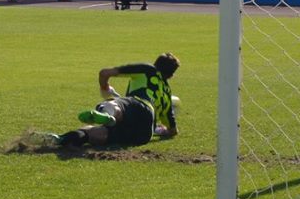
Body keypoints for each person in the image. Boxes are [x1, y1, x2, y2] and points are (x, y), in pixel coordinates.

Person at [18, 54, 181, 155]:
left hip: (138, 103)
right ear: (170, 75)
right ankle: (62, 139)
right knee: (100, 134)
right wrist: (161, 130)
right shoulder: (167, 93)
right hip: (144, 133)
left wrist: (104, 88)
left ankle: (106, 116)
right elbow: (172, 131)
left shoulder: (148, 70)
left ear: (155, 63)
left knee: (112, 106)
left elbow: (105, 73)